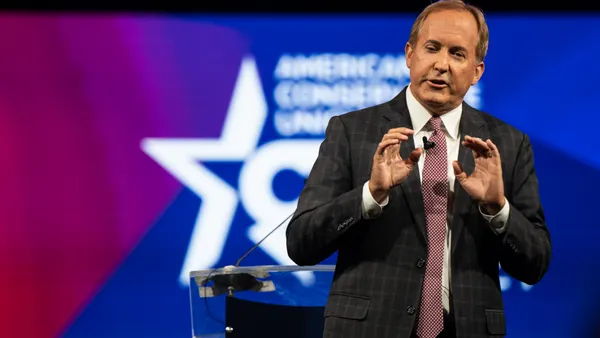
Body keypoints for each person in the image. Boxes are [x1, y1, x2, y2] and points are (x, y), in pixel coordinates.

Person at [285, 1, 552, 337]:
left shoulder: (508, 144)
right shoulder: (352, 132)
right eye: (432, 48)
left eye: (457, 54)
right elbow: (301, 242)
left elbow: (535, 263)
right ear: (410, 54)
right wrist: (370, 194)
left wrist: (497, 210)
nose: (441, 64)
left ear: (477, 71)